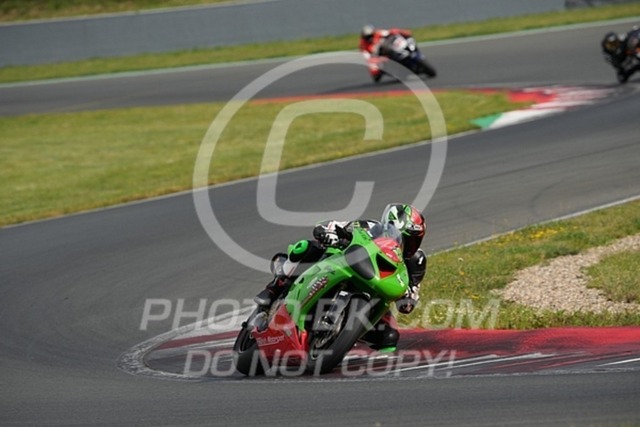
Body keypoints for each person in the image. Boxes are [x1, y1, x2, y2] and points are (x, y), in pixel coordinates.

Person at [254, 203, 427, 351]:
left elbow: (410, 299)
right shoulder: (369, 227)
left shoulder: (416, 261)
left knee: (389, 337)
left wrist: (408, 297)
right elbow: (330, 226)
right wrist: (329, 233)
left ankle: (343, 335)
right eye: (404, 237)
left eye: (413, 240)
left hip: (375, 292)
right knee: (307, 247)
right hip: (341, 264)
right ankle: (274, 288)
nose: (408, 244)